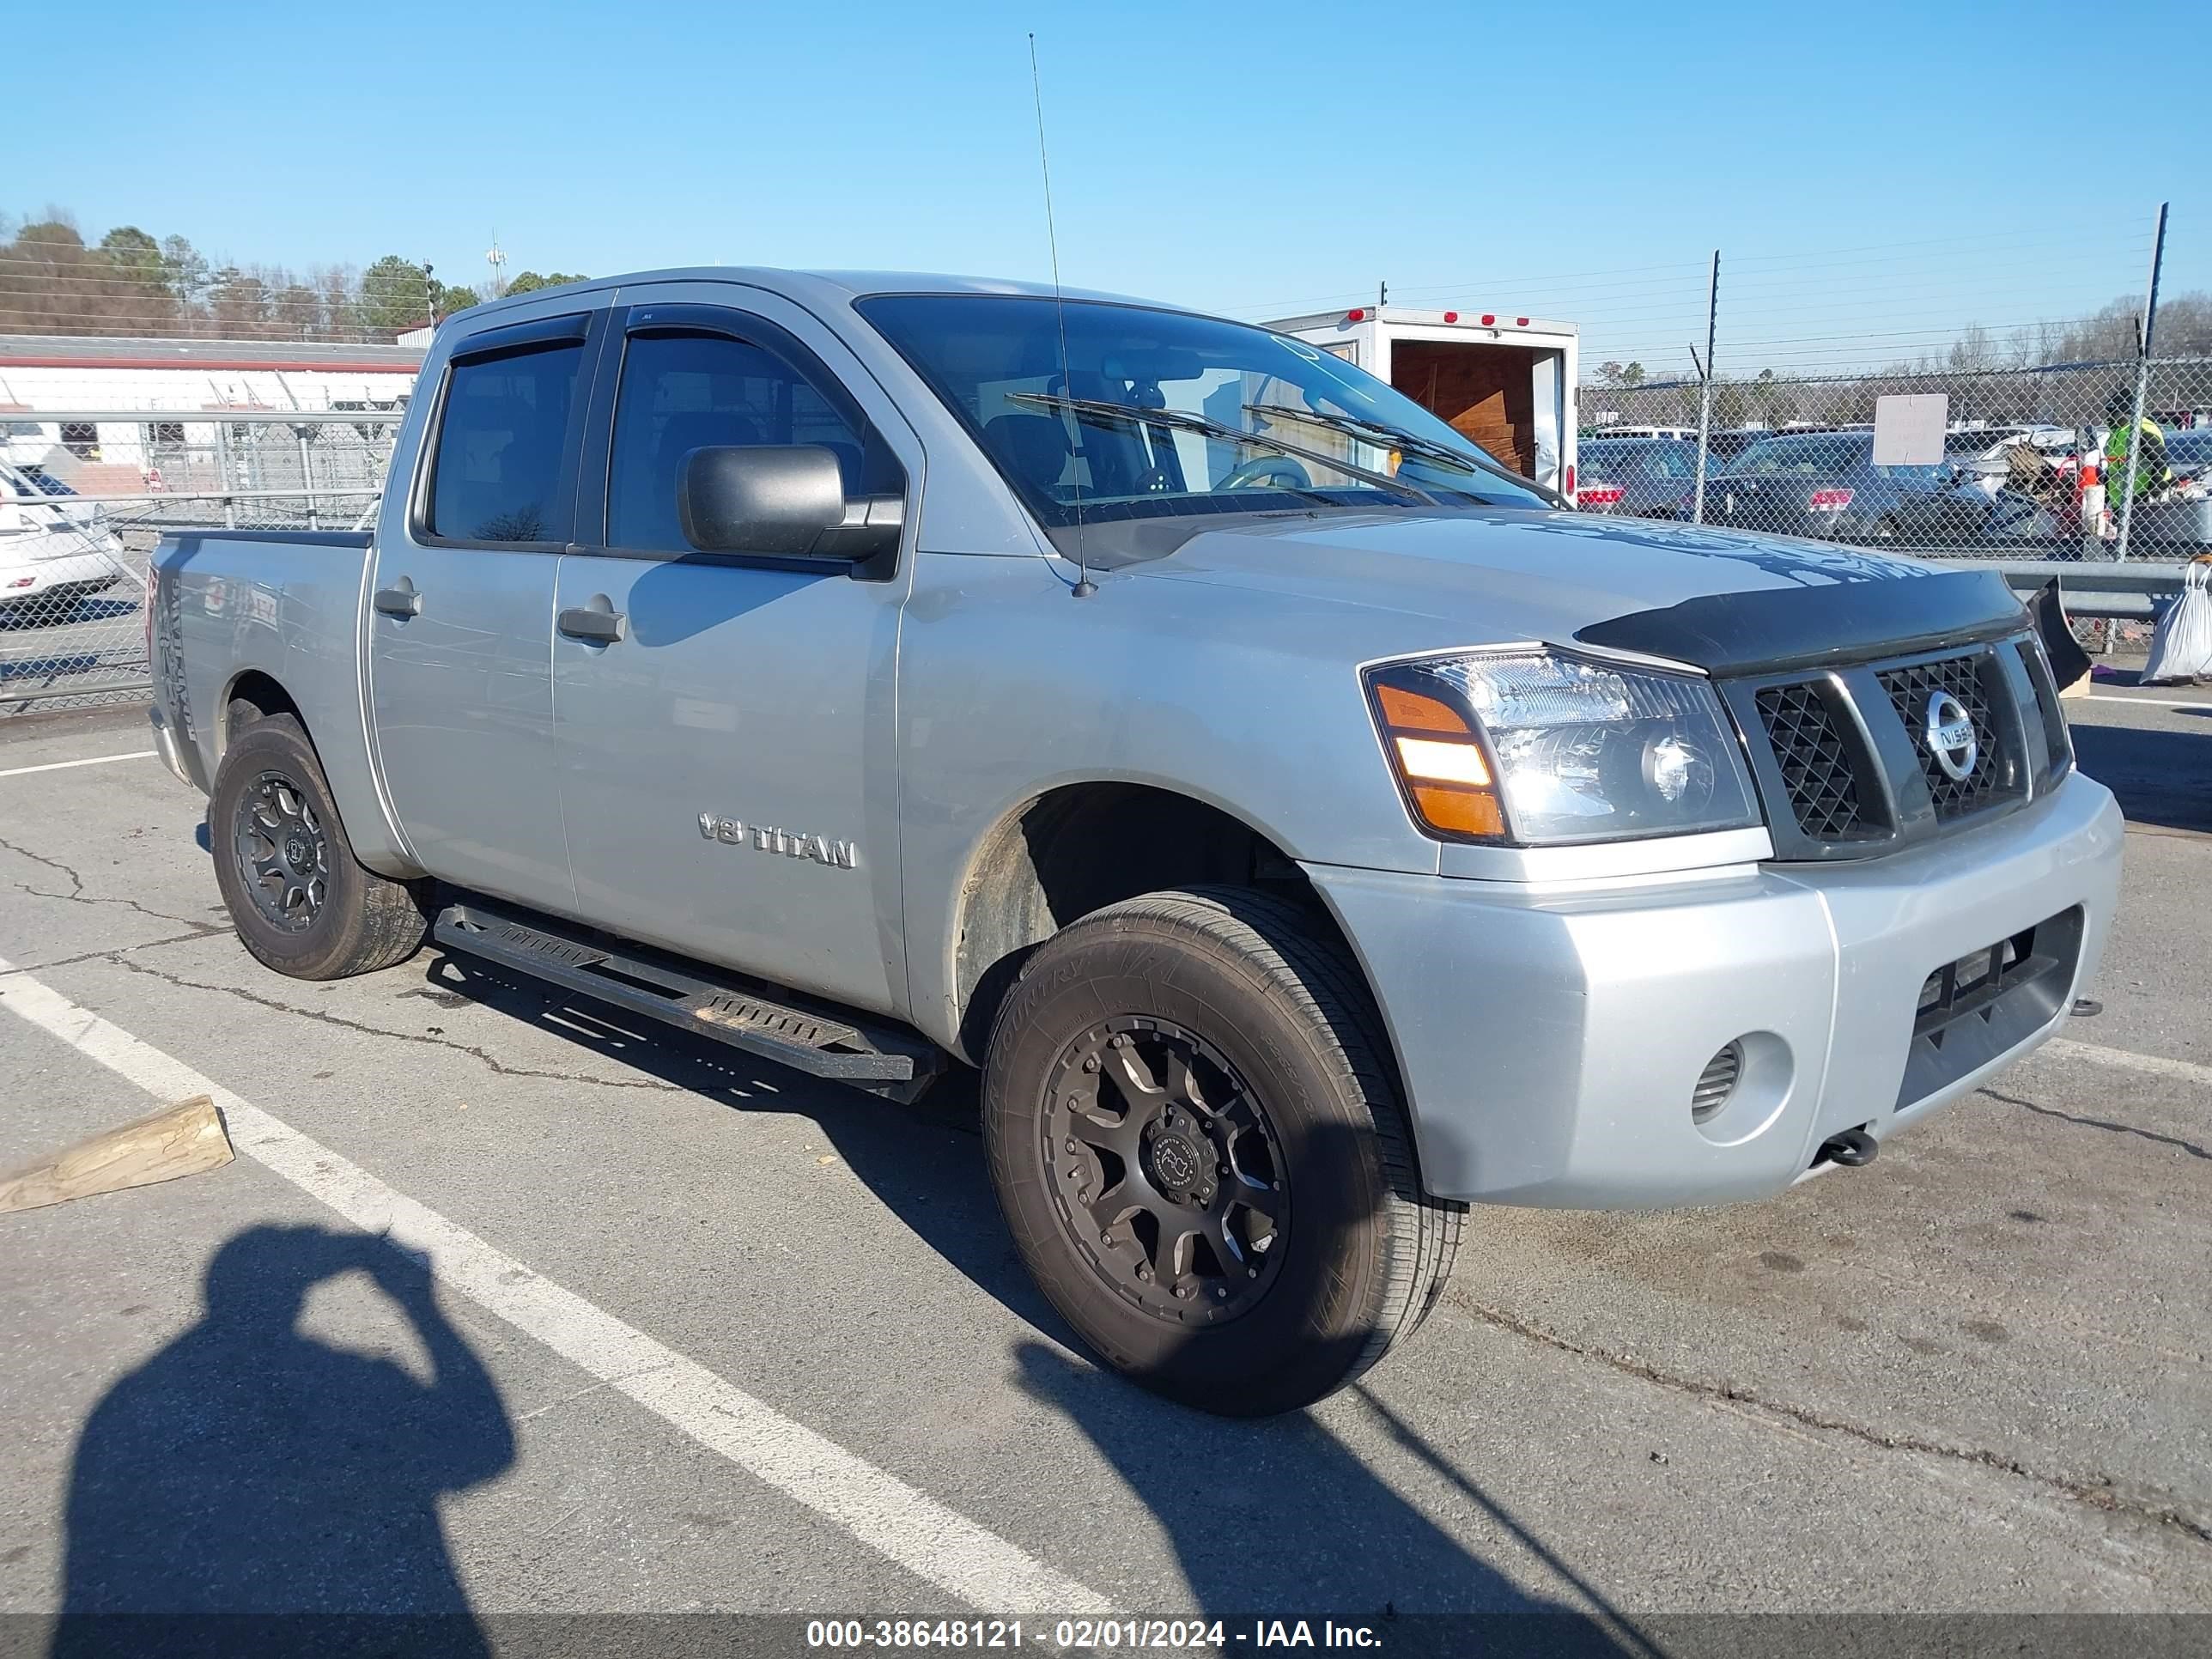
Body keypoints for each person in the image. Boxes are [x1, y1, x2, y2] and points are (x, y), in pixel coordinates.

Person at [2103, 386, 2172, 514]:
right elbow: (2113, 468)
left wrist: (2152, 492)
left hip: (2141, 498)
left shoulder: (2141, 430)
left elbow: (2161, 461)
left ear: (2127, 413)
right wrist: (2105, 497)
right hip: (2121, 500)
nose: (2110, 417)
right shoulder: (2117, 433)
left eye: (2114, 413)